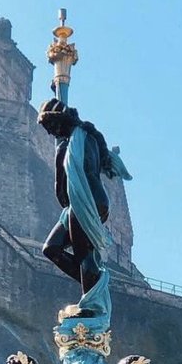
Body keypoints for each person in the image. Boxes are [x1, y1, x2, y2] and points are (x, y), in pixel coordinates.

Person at [37, 97, 115, 303]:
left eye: (49, 126)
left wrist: (59, 154)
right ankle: (94, 285)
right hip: (95, 200)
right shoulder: (89, 137)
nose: (49, 132)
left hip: (83, 200)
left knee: (83, 255)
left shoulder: (68, 146)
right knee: (51, 248)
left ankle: (92, 299)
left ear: (59, 121)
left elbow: (60, 190)